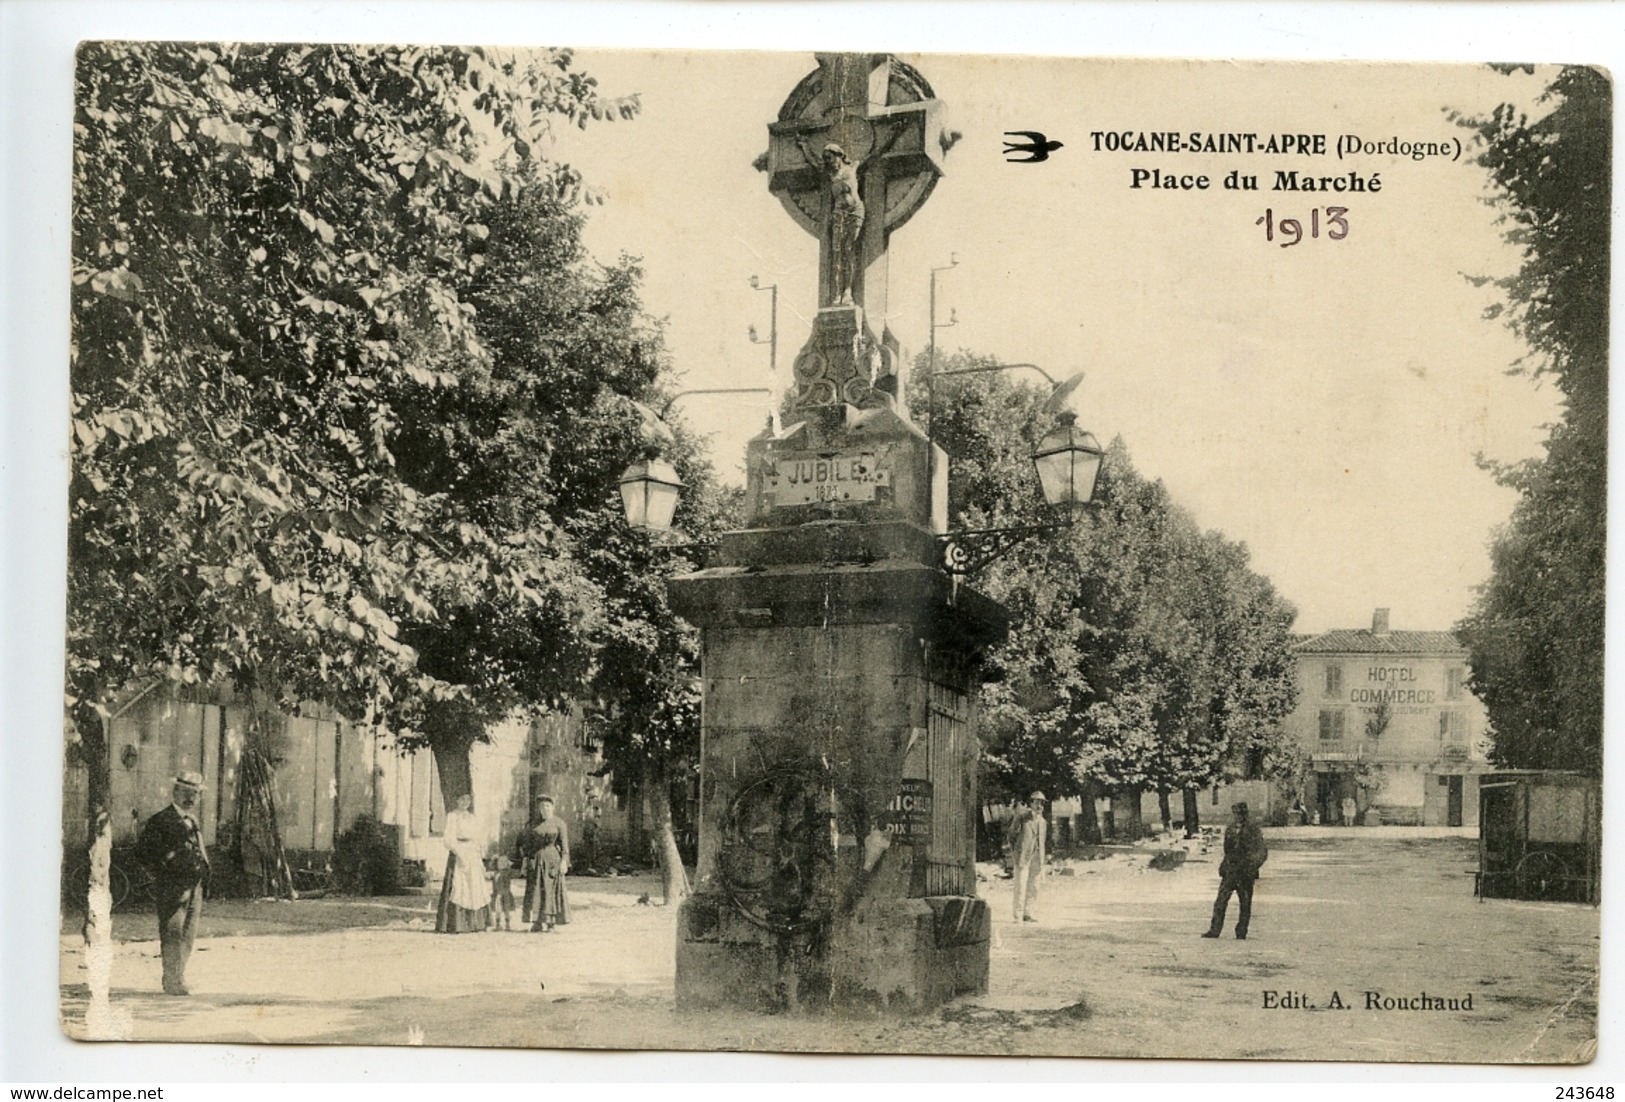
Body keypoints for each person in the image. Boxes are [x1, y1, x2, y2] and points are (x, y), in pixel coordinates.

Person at [134, 772, 211, 995]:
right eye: (186, 793)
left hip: (194, 889)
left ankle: (178, 976)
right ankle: (172, 980)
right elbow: (142, 854)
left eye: (195, 794)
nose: (190, 798)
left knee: (188, 936)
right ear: (174, 792)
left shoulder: (193, 820)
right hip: (172, 890)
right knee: (172, 934)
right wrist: (164, 878)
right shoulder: (160, 821)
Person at [1203, 801, 1269, 940]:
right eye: (1235, 813)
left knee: (1245, 904)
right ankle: (1215, 930)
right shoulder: (1230, 829)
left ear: (1245, 814)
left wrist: (1252, 865)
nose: (1237, 816)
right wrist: (1224, 865)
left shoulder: (1253, 830)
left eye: (1240, 813)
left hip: (1245, 873)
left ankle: (1241, 931)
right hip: (1230, 872)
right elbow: (1227, 850)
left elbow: (1262, 852)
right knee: (1220, 901)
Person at [435, 793, 489, 933]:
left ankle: (475, 923)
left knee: (475, 886)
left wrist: (479, 858)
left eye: (468, 799)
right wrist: (459, 853)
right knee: (459, 886)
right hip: (459, 852)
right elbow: (448, 839)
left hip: (472, 853)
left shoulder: (472, 818)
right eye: (462, 799)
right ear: (457, 800)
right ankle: (456, 924)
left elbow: (477, 839)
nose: (465, 802)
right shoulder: (453, 816)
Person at [517, 796, 570, 932]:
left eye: (547, 806)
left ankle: (551, 922)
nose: (545, 809)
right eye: (542, 807)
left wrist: (564, 861)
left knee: (550, 890)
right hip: (535, 859)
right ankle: (537, 922)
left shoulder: (559, 823)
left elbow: (564, 846)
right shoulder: (533, 824)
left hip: (552, 860)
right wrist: (525, 861)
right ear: (539, 809)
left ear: (552, 807)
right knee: (535, 890)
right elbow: (527, 845)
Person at [1006, 791, 1048, 923]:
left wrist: (1042, 857)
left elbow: (1042, 840)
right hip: (1023, 856)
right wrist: (1016, 852)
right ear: (1031, 803)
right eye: (1037, 802)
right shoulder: (1022, 818)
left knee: (1034, 886)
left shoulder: (1043, 822)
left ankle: (1028, 913)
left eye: (1042, 803)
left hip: (1037, 857)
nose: (1040, 806)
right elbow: (1011, 835)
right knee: (1021, 885)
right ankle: (1017, 916)